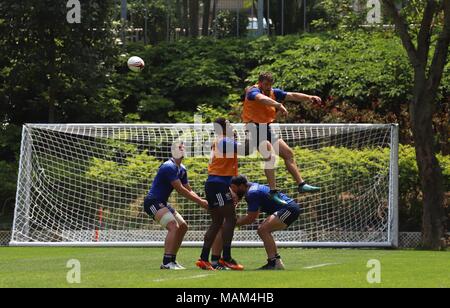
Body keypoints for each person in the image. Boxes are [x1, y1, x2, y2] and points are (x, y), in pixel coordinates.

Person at [242, 72, 322, 205]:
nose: (268, 87)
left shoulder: (273, 92)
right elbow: (261, 99)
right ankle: (273, 192)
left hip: (265, 127)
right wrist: (278, 105)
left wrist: (309, 97)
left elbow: (291, 95)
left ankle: (301, 184)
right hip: (253, 127)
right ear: (260, 82)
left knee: (288, 153)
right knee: (269, 155)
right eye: (266, 84)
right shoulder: (252, 90)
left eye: (270, 85)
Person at [144, 142, 208, 270]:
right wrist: (200, 202)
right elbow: (181, 190)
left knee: (183, 226)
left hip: (162, 202)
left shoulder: (182, 169)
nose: (183, 149)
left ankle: (172, 260)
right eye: (180, 147)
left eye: (183, 147)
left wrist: (202, 200)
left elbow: (188, 189)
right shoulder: (169, 167)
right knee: (173, 226)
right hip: (152, 202)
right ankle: (166, 262)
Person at [196, 118, 244, 271]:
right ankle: (226, 258)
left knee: (217, 222)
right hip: (217, 186)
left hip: (216, 184)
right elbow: (246, 149)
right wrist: (257, 135)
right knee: (230, 218)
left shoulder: (222, 140)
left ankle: (204, 259)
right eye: (230, 124)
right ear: (223, 127)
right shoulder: (223, 141)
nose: (232, 125)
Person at [230, 175, 302, 270]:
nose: (233, 191)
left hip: (289, 209)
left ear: (242, 186)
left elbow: (251, 218)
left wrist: (232, 223)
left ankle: (274, 262)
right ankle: (276, 262)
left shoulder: (252, 193)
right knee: (263, 230)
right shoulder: (252, 188)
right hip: (288, 208)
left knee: (263, 230)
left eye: (234, 188)